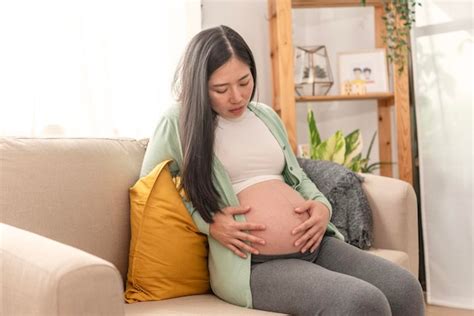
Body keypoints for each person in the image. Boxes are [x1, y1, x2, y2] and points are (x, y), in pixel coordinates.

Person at [140, 25, 424, 316]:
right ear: (200, 86)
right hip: (253, 265)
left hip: (316, 244)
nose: (237, 96)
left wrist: (322, 207)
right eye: (221, 89)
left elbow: (298, 178)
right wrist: (208, 223)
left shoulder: (264, 115)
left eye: (244, 81)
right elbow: (151, 192)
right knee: (361, 303)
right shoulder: (178, 121)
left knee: (404, 288)